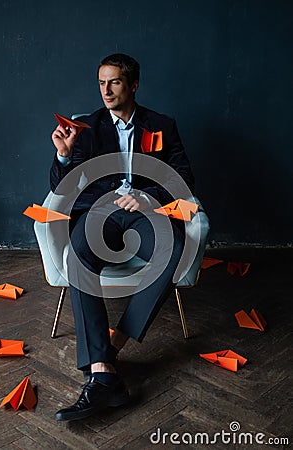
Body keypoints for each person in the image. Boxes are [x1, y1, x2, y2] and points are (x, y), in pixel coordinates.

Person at [50, 53, 195, 421]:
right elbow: (61, 188)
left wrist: (148, 196)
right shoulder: (86, 127)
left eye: (114, 82)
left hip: (146, 211)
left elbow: (183, 179)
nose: (106, 90)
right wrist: (64, 157)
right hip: (100, 212)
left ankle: (114, 345)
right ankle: (102, 371)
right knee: (78, 254)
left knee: (173, 249)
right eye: (101, 82)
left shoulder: (162, 124)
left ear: (133, 84)